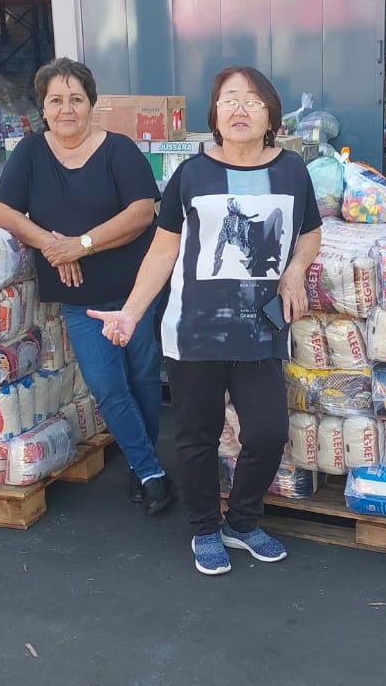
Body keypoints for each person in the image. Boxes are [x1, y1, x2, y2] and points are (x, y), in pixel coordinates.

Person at [90, 66, 322, 576]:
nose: (240, 109)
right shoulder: (191, 175)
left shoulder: (291, 170)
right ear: (214, 115)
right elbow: (163, 251)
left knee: (267, 432)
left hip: (261, 329)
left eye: (253, 101)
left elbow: (309, 231)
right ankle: (204, 528)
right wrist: (131, 311)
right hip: (194, 329)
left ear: (272, 117)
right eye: (229, 100)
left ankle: (242, 522)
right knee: (198, 436)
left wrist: (295, 271)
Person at [0, 59, 173, 514]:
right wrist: (54, 246)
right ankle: (150, 470)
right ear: (43, 108)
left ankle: (142, 465)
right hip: (80, 299)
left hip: (134, 290)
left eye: (76, 99)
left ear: (92, 104)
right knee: (107, 384)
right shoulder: (30, 153)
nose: (66, 109)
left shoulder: (118, 150)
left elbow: (142, 212)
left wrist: (82, 245)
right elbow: (4, 213)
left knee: (142, 375)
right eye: (56, 100)